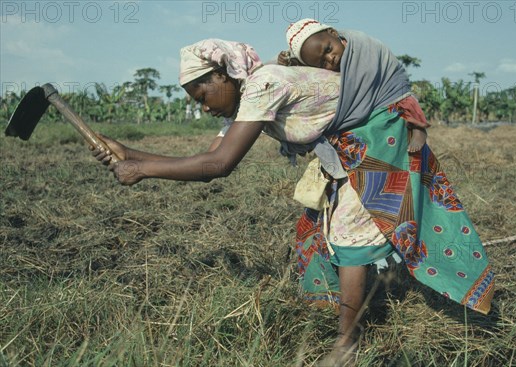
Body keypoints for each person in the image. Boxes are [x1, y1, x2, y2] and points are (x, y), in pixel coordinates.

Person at [93, 38, 494, 366]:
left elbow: (218, 165)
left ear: (222, 75)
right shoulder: (248, 97)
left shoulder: (265, 84)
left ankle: (346, 348)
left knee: (348, 237)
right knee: (327, 230)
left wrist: (142, 170)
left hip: (377, 139)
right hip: (349, 147)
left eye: (202, 93)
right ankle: (350, 322)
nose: (202, 105)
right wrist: (128, 153)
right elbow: (203, 156)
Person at [278, 18, 428, 153]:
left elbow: (369, 74)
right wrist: (290, 65)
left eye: (329, 49)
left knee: (402, 102)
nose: (331, 59)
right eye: (323, 63)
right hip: (360, 109)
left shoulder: (362, 45)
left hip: (390, 92)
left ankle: (418, 127)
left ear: (333, 32)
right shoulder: (325, 71)